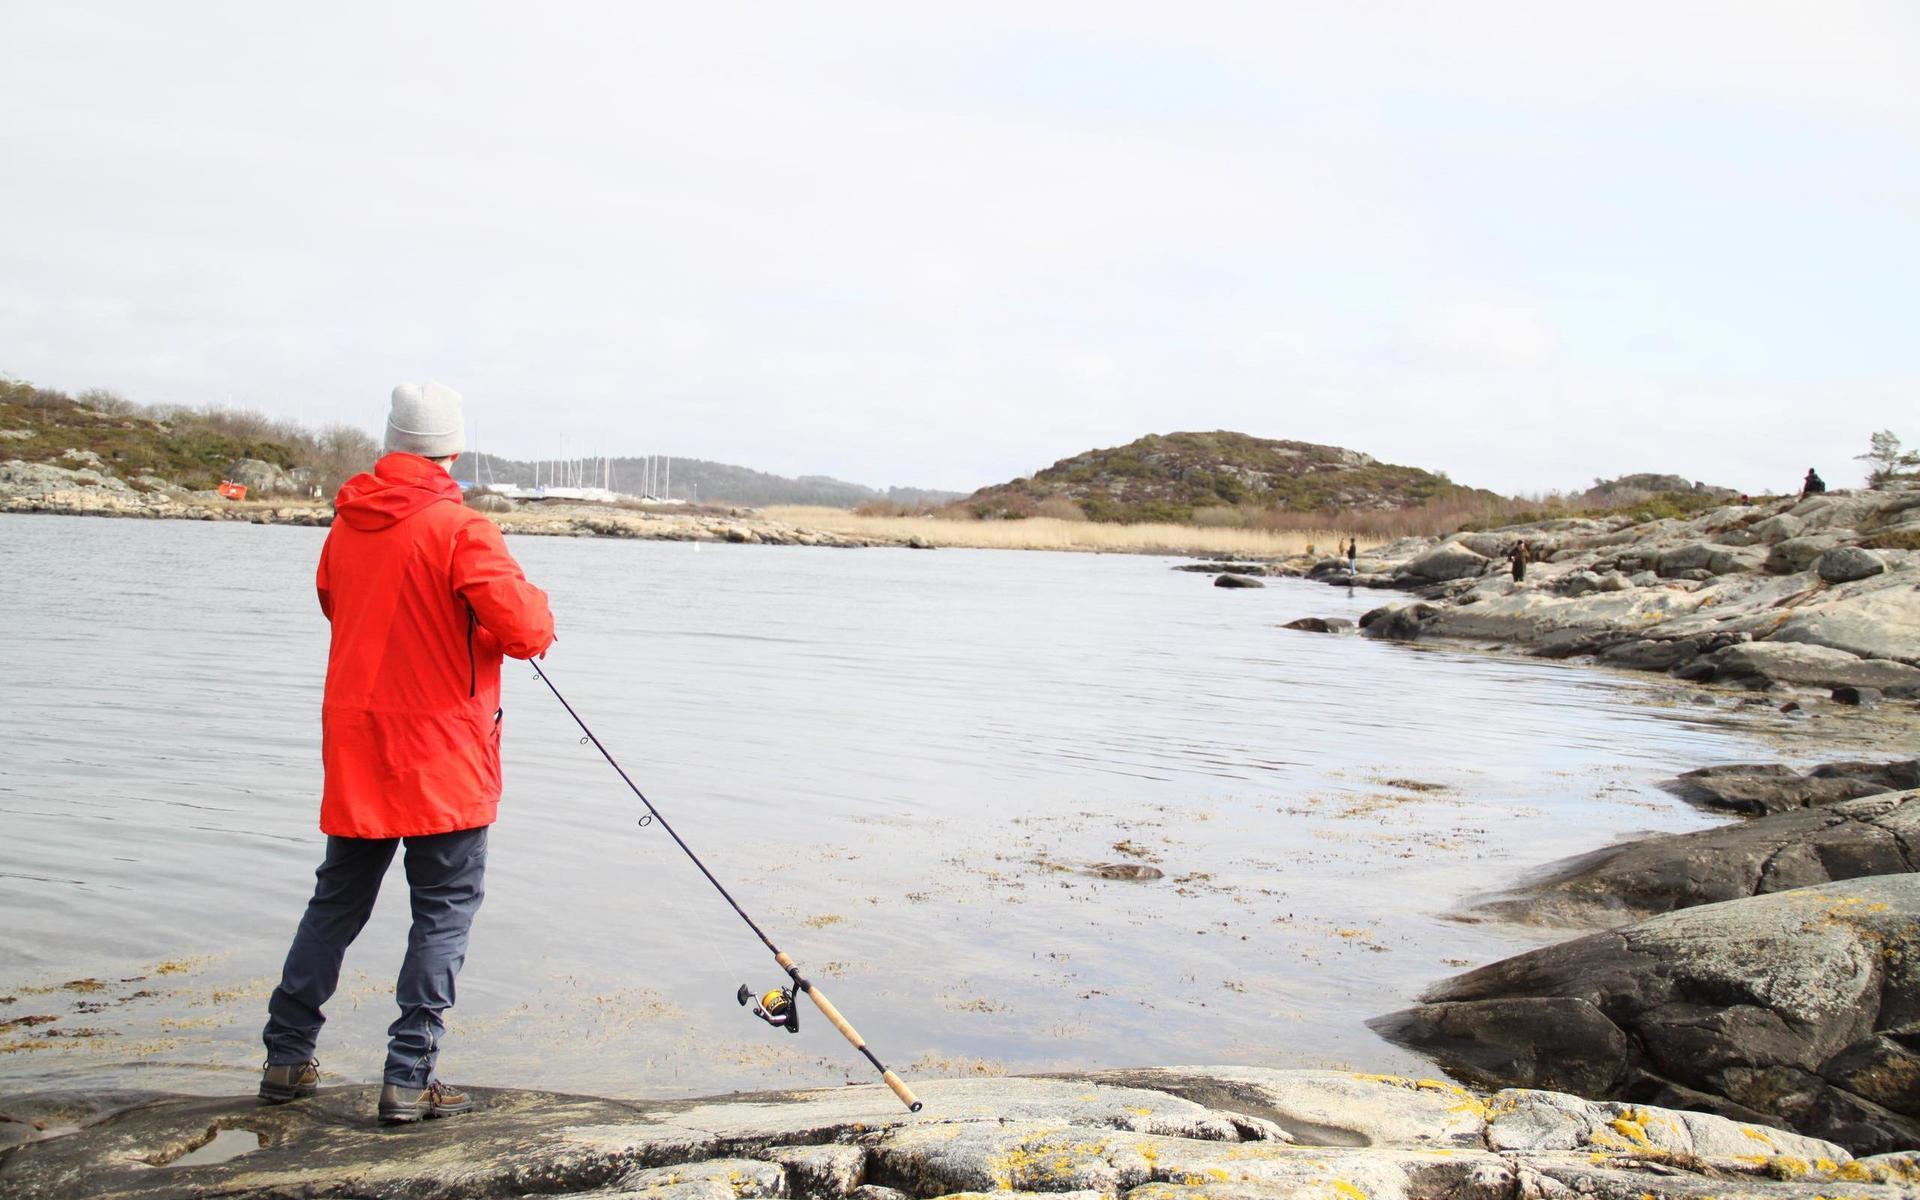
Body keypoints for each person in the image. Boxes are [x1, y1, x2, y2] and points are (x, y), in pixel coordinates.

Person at [259, 383, 555, 1124]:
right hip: (441, 759)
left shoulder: (348, 524)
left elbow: (338, 604)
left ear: (393, 442)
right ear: (452, 447)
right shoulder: (462, 528)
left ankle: (286, 1058)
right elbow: (526, 630)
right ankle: (408, 1074)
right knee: (445, 910)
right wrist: (478, 633)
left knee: (336, 902)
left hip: (360, 746)